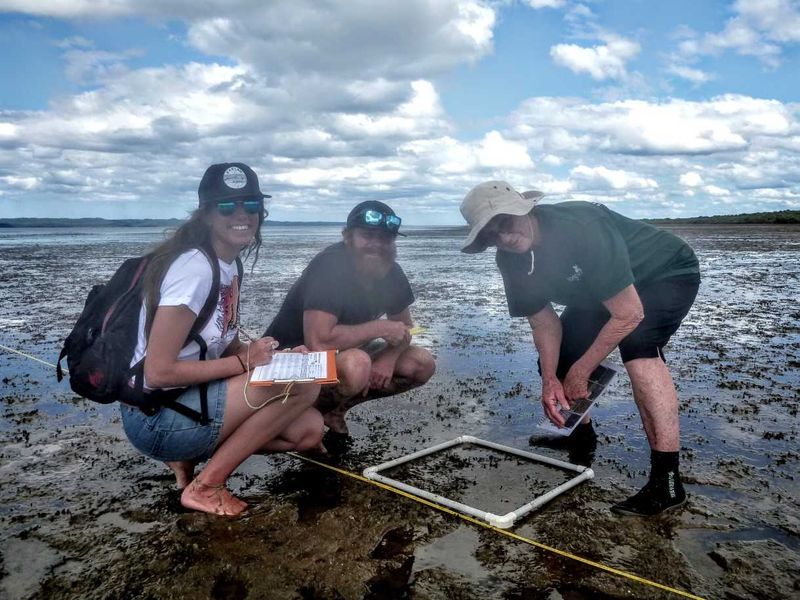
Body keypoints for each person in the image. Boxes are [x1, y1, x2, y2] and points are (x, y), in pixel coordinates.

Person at [460, 181, 700, 516]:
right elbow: (544, 325)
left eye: (506, 222)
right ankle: (581, 438)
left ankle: (667, 484)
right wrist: (550, 380)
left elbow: (629, 314)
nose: (505, 237)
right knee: (559, 359)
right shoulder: (511, 261)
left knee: (638, 345)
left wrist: (582, 371)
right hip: (599, 293)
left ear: (524, 209)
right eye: (492, 235)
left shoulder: (580, 226)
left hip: (663, 272)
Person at [120, 162, 322, 517]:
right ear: (207, 214)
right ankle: (206, 486)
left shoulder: (228, 265)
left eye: (252, 204)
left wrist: (282, 358)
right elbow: (158, 372)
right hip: (154, 418)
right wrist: (245, 362)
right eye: (227, 206)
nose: (242, 214)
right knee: (304, 387)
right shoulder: (194, 269)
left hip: (183, 400)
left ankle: (185, 462)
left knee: (308, 430)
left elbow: (225, 344)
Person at [265, 200, 436, 437]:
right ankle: (295, 416)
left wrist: (388, 358)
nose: (376, 244)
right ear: (348, 237)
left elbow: (405, 327)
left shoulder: (392, 273)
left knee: (421, 363)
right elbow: (319, 342)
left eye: (385, 238)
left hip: (340, 356)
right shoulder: (330, 267)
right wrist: (379, 327)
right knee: (357, 365)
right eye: (367, 235)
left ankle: (334, 411)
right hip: (287, 359)